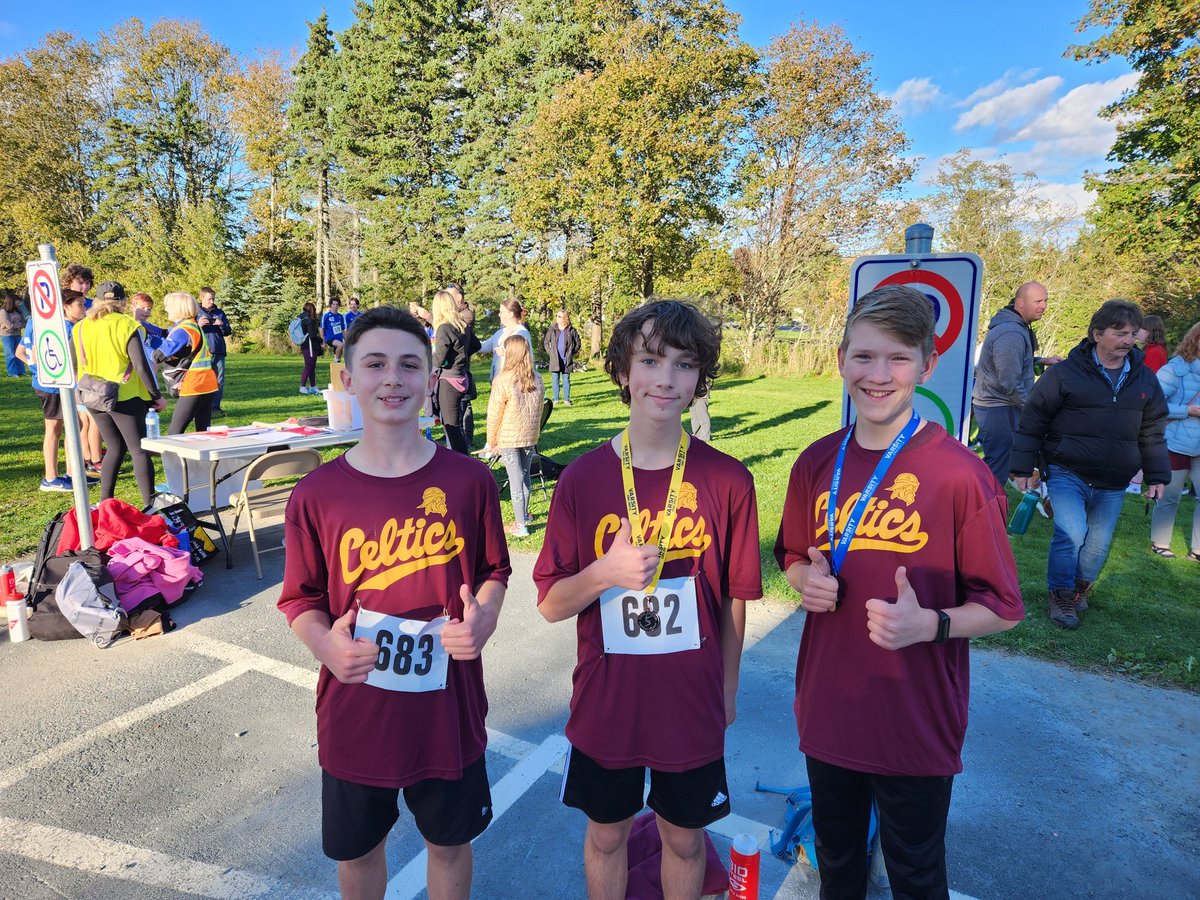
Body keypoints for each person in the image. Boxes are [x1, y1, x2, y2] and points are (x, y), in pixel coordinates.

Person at [775, 284, 1024, 900]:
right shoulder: (815, 462)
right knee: (838, 866)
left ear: (928, 364)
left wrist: (929, 625)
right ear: (840, 361)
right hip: (829, 707)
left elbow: (1004, 608)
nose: (878, 375)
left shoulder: (959, 475)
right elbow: (788, 555)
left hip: (915, 720)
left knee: (915, 873)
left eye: (898, 358)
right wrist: (804, 581)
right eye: (863, 357)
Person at [278, 305, 509, 900]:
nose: (392, 379)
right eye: (375, 363)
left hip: (449, 711)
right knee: (357, 857)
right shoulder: (317, 494)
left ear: (430, 379)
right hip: (357, 712)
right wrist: (326, 644)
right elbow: (300, 599)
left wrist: (483, 618)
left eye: (410, 364)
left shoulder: (470, 482)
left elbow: (493, 572)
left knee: (450, 846)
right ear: (347, 377)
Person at [533, 299, 761, 899]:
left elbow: (735, 601)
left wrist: (728, 690)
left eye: (685, 365)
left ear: (700, 381)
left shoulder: (728, 479)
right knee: (607, 837)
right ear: (622, 371)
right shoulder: (582, 479)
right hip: (609, 699)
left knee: (685, 840)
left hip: (690, 701)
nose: (666, 379)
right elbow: (552, 604)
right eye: (651, 360)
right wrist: (605, 572)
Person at [1012, 299, 1170, 629]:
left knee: (1097, 545)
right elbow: (1033, 421)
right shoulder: (1063, 374)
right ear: (1097, 333)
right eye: (1119, 333)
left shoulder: (1144, 379)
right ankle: (1061, 595)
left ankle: (1080, 588)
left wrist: (1156, 474)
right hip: (1068, 470)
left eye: (1131, 333)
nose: (1128, 340)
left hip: (1114, 480)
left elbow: (1153, 431)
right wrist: (1024, 467)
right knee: (1071, 533)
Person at [72, 283, 166, 507]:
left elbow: (75, 365)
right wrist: (156, 396)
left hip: (93, 395)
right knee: (139, 449)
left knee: (115, 447)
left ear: (95, 301)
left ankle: (105, 501)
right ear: (123, 303)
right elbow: (141, 366)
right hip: (125, 395)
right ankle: (149, 502)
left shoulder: (81, 327)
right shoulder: (129, 325)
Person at [971, 281, 1062, 486]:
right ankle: (986, 507)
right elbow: (1009, 381)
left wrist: (1042, 361)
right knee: (998, 465)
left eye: (1046, 300)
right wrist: (1032, 407)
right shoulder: (1011, 332)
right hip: (999, 407)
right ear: (1020, 303)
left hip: (1003, 405)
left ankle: (983, 500)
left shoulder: (1017, 327)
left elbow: (1014, 366)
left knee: (1000, 461)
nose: (1044, 306)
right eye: (1038, 301)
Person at [17, 289, 97, 491]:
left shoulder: (60, 324)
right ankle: (51, 478)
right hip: (52, 386)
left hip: (60, 384)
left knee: (74, 427)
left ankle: (73, 474)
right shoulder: (59, 326)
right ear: (65, 305)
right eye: (80, 304)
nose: (84, 308)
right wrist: (42, 371)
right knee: (56, 429)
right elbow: (25, 352)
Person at [1150, 321, 1200, 561]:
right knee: (1170, 496)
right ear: (1196, 340)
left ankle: (1198, 549)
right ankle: (1160, 542)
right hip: (1175, 443)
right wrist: (1187, 411)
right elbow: (1154, 403)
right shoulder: (1175, 368)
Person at [485, 334, 544, 537]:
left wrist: (492, 441)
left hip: (509, 438)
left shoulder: (503, 380)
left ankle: (520, 526)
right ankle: (524, 516)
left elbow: (494, 414)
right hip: (530, 436)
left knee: (515, 480)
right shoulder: (537, 378)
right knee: (525, 476)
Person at [155, 292, 220, 435]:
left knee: (174, 433)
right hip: (208, 384)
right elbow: (164, 332)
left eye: (168, 306)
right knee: (203, 433)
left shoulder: (183, 330)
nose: (166, 309)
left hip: (194, 385)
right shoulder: (192, 325)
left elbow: (158, 356)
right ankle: (204, 458)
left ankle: (175, 458)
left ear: (178, 308)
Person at [432, 289, 480, 454]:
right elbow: (476, 345)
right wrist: (460, 357)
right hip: (462, 377)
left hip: (449, 381)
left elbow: (438, 359)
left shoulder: (444, 328)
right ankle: (459, 463)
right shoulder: (462, 325)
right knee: (455, 427)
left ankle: (463, 466)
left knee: (452, 427)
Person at [476, 299, 534, 382]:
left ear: (510, 314)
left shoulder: (521, 333)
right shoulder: (500, 333)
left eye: (502, 312)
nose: (499, 315)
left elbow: (526, 357)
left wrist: (506, 353)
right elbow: (482, 346)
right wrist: (466, 338)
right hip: (498, 380)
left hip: (515, 380)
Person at [197, 287, 232, 417]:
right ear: (201, 298)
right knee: (202, 381)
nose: (212, 301)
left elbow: (228, 332)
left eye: (213, 298)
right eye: (209, 298)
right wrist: (198, 325)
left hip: (218, 351)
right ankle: (200, 408)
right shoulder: (195, 312)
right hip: (202, 352)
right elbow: (187, 331)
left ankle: (215, 408)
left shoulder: (219, 312)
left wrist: (222, 324)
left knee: (219, 381)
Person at [543, 309, 581, 406]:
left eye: (559, 316)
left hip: (566, 359)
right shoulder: (552, 329)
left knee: (566, 379)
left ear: (565, 318)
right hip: (555, 359)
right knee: (555, 379)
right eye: (557, 315)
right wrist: (550, 353)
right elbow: (546, 342)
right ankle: (555, 399)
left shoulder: (571, 330)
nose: (557, 317)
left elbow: (578, 343)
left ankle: (566, 400)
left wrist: (571, 352)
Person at [298, 301, 324, 395]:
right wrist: (321, 339)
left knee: (311, 366)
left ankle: (313, 386)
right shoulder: (309, 320)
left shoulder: (301, 319)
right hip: (309, 346)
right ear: (311, 310)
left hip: (304, 345)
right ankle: (303, 386)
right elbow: (312, 335)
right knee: (309, 366)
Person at [2, 292, 28, 376]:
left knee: (19, 353)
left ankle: (21, 371)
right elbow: (8, 325)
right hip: (7, 335)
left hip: (17, 334)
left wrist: (16, 326)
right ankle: (12, 372)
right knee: (10, 353)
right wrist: (18, 325)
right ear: (12, 301)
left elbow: (24, 323)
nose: (19, 304)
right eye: (17, 301)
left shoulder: (18, 311)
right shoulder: (3, 312)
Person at [321, 298, 348, 363]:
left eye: (337, 304)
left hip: (339, 338)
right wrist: (323, 342)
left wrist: (347, 340)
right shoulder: (326, 316)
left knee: (339, 351)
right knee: (340, 345)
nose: (335, 306)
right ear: (331, 305)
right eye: (333, 304)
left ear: (339, 306)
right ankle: (336, 361)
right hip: (330, 338)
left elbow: (343, 329)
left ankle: (336, 364)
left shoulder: (341, 316)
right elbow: (321, 328)